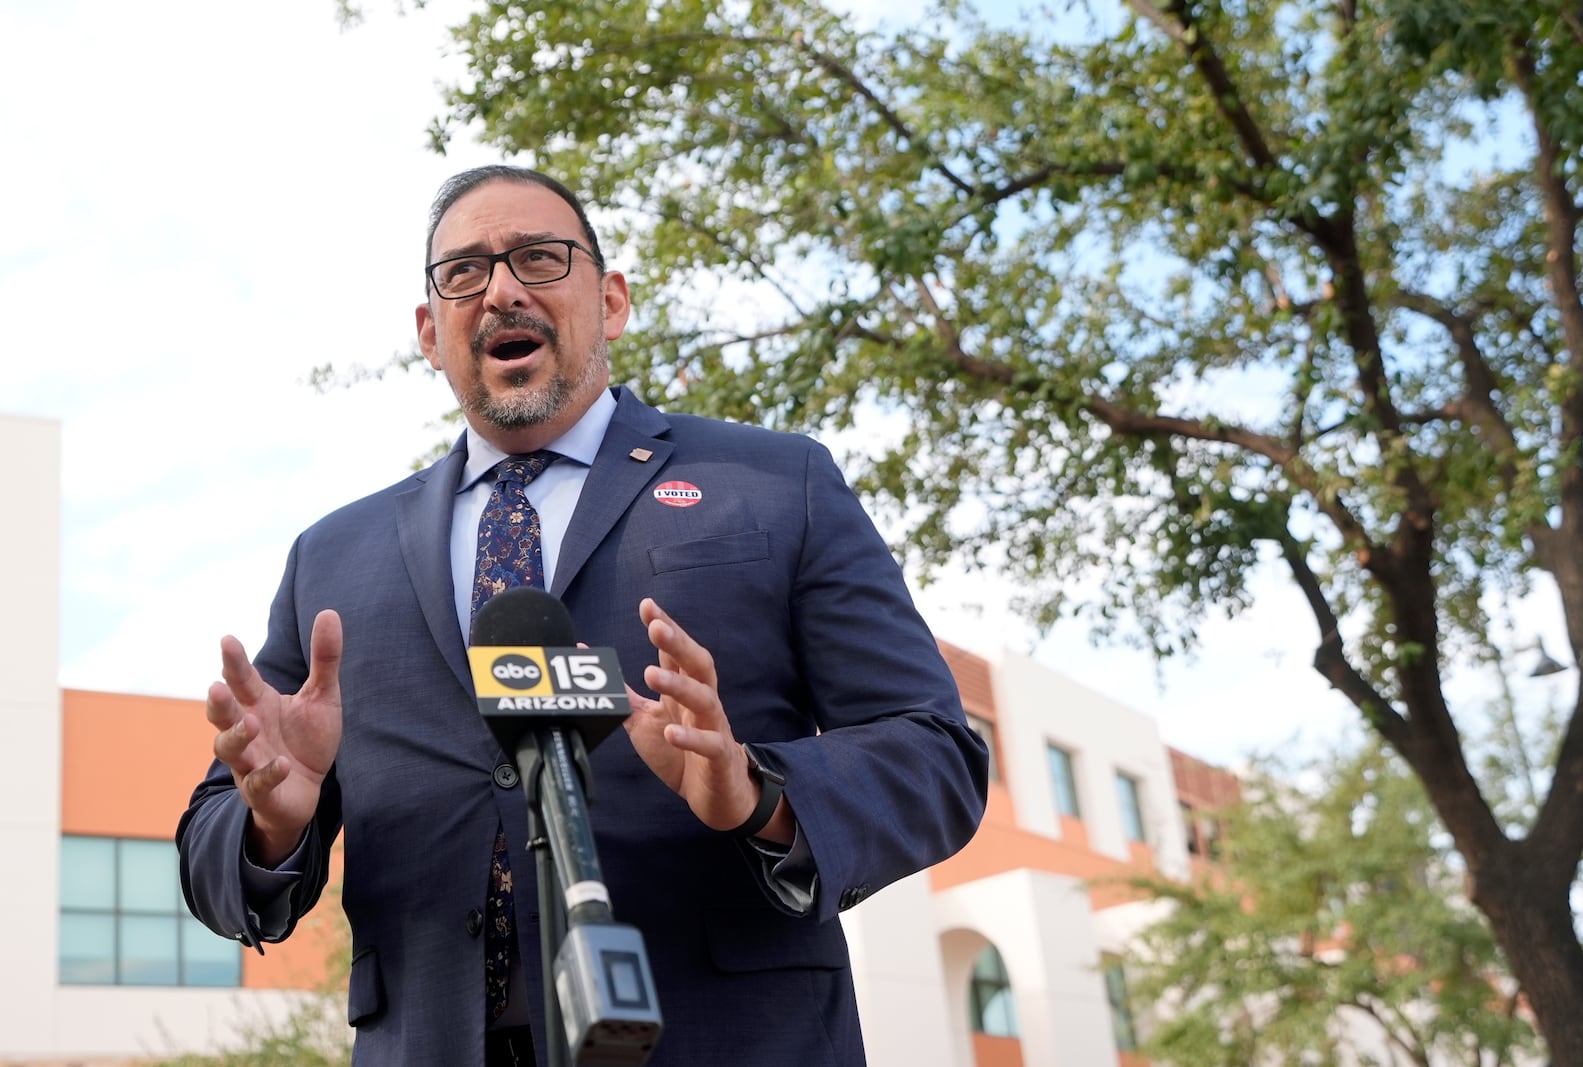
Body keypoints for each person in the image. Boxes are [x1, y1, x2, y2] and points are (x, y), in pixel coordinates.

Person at [177, 165, 988, 1067]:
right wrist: (270, 825)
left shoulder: (775, 484)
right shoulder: (332, 556)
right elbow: (218, 856)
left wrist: (756, 789)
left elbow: (935, 750)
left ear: (610, 301)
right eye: (464, 273)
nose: (503, 290)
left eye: (538, 257)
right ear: (428, 333)